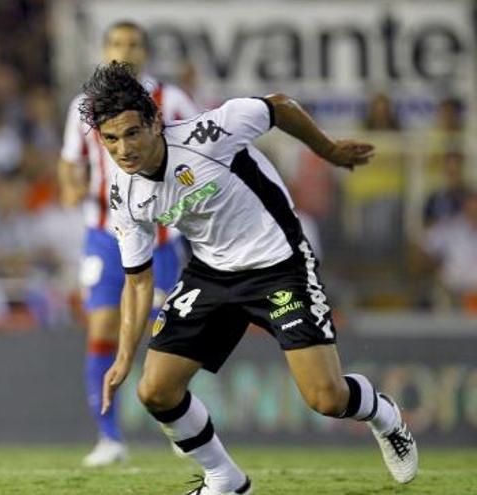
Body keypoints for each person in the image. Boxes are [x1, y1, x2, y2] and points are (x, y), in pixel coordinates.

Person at [80, 62, 418, 495]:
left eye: (131, 133)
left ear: (155, 121)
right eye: (110, 139)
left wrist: (328, 151)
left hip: (280, 264)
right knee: (155, 391)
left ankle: (383, 414)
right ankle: (226, 480)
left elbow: (280, 106)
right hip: (212, 274)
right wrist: (124, 357)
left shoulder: (212, 133)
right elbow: (139, 281)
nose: (123, 149)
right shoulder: (125, 196)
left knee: (326, 399)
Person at [57, 20, 199, 467]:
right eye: (117, 43)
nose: (125, 51)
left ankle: (178, 424)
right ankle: (109, 437)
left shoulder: (171, 100)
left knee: (163, 338)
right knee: (102, 328)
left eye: (133, 44)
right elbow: (69, 161)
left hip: (159, 237)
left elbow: (198, 153)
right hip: (103, 235)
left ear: (146, 52)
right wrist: (70, 187)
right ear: (105, 49)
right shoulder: (84, 105)